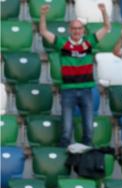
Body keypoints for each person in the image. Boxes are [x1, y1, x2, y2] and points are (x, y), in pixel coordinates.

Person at [39, 4, 110, 147]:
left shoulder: (89, 42)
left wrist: (104, 12)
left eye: (79, 28)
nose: (77, 31)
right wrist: (42, 15)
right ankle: (64, 159)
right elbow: (43, 31)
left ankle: (87, 158)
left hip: (86, 90)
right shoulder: (62, 43)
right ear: (69, 30)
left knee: (89, 129)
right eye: (74, 28)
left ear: (83, 30)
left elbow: (107, 28)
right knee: (66, 129)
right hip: (68, 90)